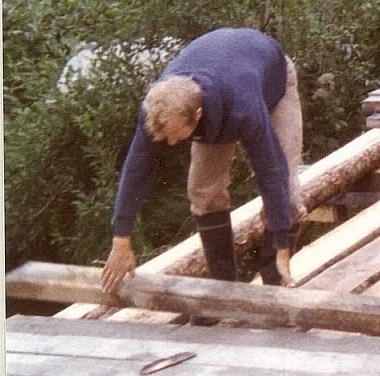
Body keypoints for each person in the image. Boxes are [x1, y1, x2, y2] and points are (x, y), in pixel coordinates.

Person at [100, 27, 305, 300]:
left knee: (287, 192)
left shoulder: (244, 107)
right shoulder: (159, 105)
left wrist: (281, 243)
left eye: (175, 135)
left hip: (272, 80)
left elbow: (271, 171)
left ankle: (276, 281)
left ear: (197, 115)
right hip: (222, 81)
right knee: (204, 191)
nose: (171, 143)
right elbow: (137, 168)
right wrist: (121, 239)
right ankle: (223, 291)